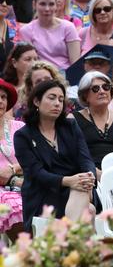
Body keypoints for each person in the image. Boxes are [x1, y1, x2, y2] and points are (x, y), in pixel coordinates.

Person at [14, 80, 97, 232]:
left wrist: (89, 176)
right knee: (89, 210)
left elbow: (85, 158)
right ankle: (76, 244)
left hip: (76, 189)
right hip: (43, 194)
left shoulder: (70, 126)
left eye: (60, 99)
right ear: (37, 101)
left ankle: (70, 242)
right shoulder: (22, 136)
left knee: (81, 187)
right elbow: (36, 173)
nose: (57, 103)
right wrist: (67, 181)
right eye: (51, 98)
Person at [17, 0, 80, 71]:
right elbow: (29, 63)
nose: (47, 9)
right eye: (42, 4)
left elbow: (75, 63)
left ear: (56, 5)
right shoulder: (26, 30)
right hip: (40, 75)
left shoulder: (68, 27)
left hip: (66, 75)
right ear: (34, 5)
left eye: (51, 4)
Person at [0, 78, 24, 239]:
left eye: (3, 97)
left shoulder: (20, 128)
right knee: (12, 206)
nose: (0, 101)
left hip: (25, 182)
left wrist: (13, 169)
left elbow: (36, 158)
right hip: (3, 191)